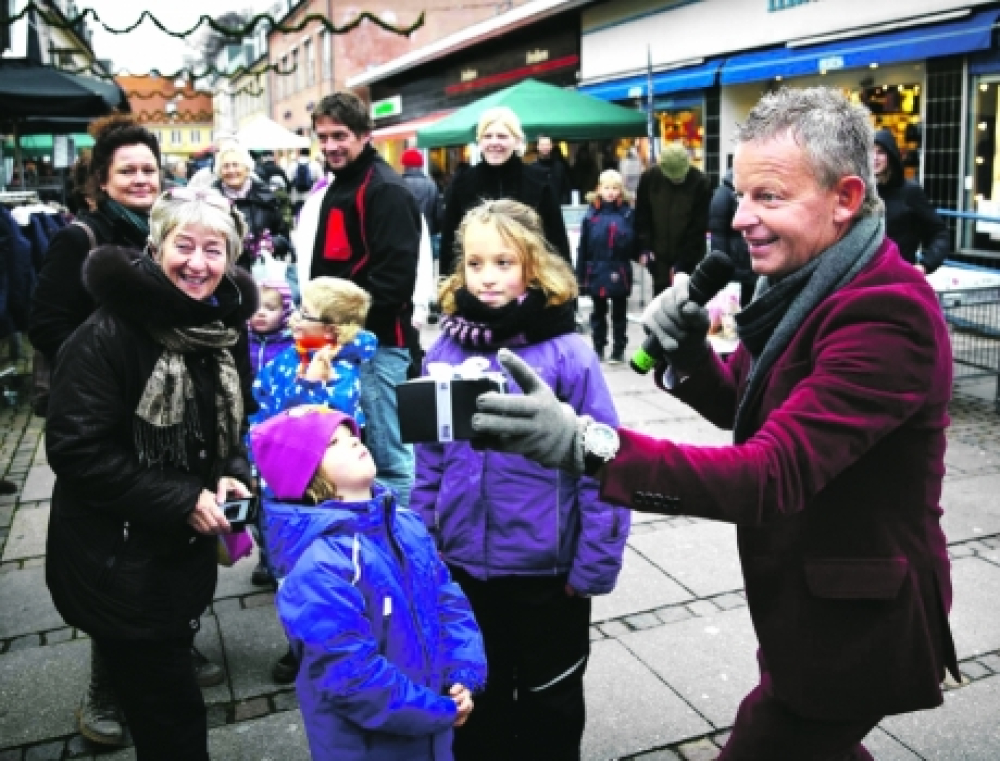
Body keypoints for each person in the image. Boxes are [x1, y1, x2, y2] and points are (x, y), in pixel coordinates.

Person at [469, 87, 959, 761]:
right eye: (740, 193)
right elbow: (752, 408)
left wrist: (587, 444)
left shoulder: (884, 311)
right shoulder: (805, 279)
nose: (743, 218)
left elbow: (770, 471)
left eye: (770, 197)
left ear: (846, 198)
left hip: (855, 627)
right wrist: (691, 353)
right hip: (805, 611)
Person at [44, 187, 258, 760]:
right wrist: (182, 496)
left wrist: (233, 473)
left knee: (163, 696)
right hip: (117, 558)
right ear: (155, 247)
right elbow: (76, 452)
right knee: (170, 717)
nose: (198, 262)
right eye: (183, 245)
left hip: (173, 554)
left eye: (214, 249)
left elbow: (232, 425)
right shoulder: (106, 336)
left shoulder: (219, 328)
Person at [411, 199, 628, 761]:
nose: (487, 276)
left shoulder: (570, 353)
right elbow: (431, 457)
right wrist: (423, 539)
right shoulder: (446, 349)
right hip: (465, 567)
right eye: (475, 262)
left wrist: (594, 564)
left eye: (503, 262)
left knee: (549, 700)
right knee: (474, 693)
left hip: (546, 572)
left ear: (534, 265)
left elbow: (604, 464)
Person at [29, 115, 181, 747]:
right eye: (128, 170)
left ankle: (167, 649)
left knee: (169, 535)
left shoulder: (167, 233)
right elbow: (46, 322)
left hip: (166, 415)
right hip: (107, 420)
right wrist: (103, 378)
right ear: (102, 180)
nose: (141, 177)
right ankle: (104, 692)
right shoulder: (82, 238)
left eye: (148, 167)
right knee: (117, 556)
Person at [249, 406, 486, 760]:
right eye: (333, 443)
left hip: (432, 727)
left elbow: (447, 600)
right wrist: (438, 711)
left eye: (351, 435)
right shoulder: (320, 566)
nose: (354, 443)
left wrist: (462, 672)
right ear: (308, 478)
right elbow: (352, 677)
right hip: (369, 746)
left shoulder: (404, 523)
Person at [293, 91, 420, 507]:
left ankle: (398, 548)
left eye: (340, 136)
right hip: (335, 345)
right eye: (323, 137)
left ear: (366, 135)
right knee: (339, 455)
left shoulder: (386, 190)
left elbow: (394, 285)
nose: (330, 146)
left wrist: (339, 329)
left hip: (378, 349)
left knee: (388, 460)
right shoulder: (339, 184)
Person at [438, 107, 571, 279]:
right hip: (476, 292)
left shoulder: (539, 182)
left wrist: (564, 296)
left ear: (517, 141)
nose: (494, 142)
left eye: (502, 136)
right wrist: (449, 296)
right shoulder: (462, 184)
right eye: (487, 136)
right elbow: (450, 245)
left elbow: (556, 241)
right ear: (479, 141)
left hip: (530, 289)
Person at [251, 276, 375, 429]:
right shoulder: (293, 354)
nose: (294, 316)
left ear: (329, 331)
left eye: (304, 313)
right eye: (298, 308)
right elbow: (260, 397)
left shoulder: (341, 373)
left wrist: (311, 383)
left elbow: (320, 425)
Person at [635, 141, 712, 295]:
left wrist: (683, 263)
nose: (677, 180)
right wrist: (645, 247)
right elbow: (642, 216)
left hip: (690, 255)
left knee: (687, 301)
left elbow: (698, 227)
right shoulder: (649, 179)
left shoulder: (701, 183)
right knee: (661, 303)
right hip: (658, 255)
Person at [576, 169, 636, 364]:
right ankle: (599, 346)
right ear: (599, 189)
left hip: (619, 269)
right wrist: (580, 276)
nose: (610, 192)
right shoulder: (591, 215)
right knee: (598, 312)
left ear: (620, 191)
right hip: (596, 270)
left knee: (619, 313)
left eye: (614, 188)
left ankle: (619, 349)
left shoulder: (627, 214)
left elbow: (635, 241)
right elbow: (583, 246)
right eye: (607, 188)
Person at [874, 128, 950, 274]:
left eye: (881, 152)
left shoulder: (909, 192)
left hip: (897, 279)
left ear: (891, 155)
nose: (874, 157)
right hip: (862, 281)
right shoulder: (860, 191)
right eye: (870, 152)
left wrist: (924, 266)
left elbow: (940, 234)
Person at [213, 142, 291, 269]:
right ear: (219, 171)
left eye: (236, 165)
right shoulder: (212, 200)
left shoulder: (267, 197)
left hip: (260, 273)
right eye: (225, 166)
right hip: (223, 273)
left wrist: (271, 244)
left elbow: (284, 239)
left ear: (247, 168)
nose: (231, 170)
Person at [709, 168, 756, 307]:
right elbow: (718, 233)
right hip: (737, 260)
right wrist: (721, 265)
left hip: (746, 258)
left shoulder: (727, 192)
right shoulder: (725, 193)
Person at [401, 148, 441, 235]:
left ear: (404, 165)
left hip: (404, 235)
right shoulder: (431, 185)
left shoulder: (398, 184)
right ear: (421, 165)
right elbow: (438, 215)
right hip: (427, 232)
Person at [535, 135, 572, 204]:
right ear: (538, 147)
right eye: (542, 145)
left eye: (547, 145)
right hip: (538, 210)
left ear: (551, 146)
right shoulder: (532, 168)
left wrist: (563, 204)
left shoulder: (560, 167)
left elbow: (566, 189)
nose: (545, 147)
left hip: (558, 208)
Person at [289, 146, 322, 217]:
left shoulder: (293, 164)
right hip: (310, 194)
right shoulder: (315, 164)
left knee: (297, 214)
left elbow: (288, 179)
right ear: (309, 153)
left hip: (296, 195)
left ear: (300, 153)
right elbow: (321, 180)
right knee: (309, 215)